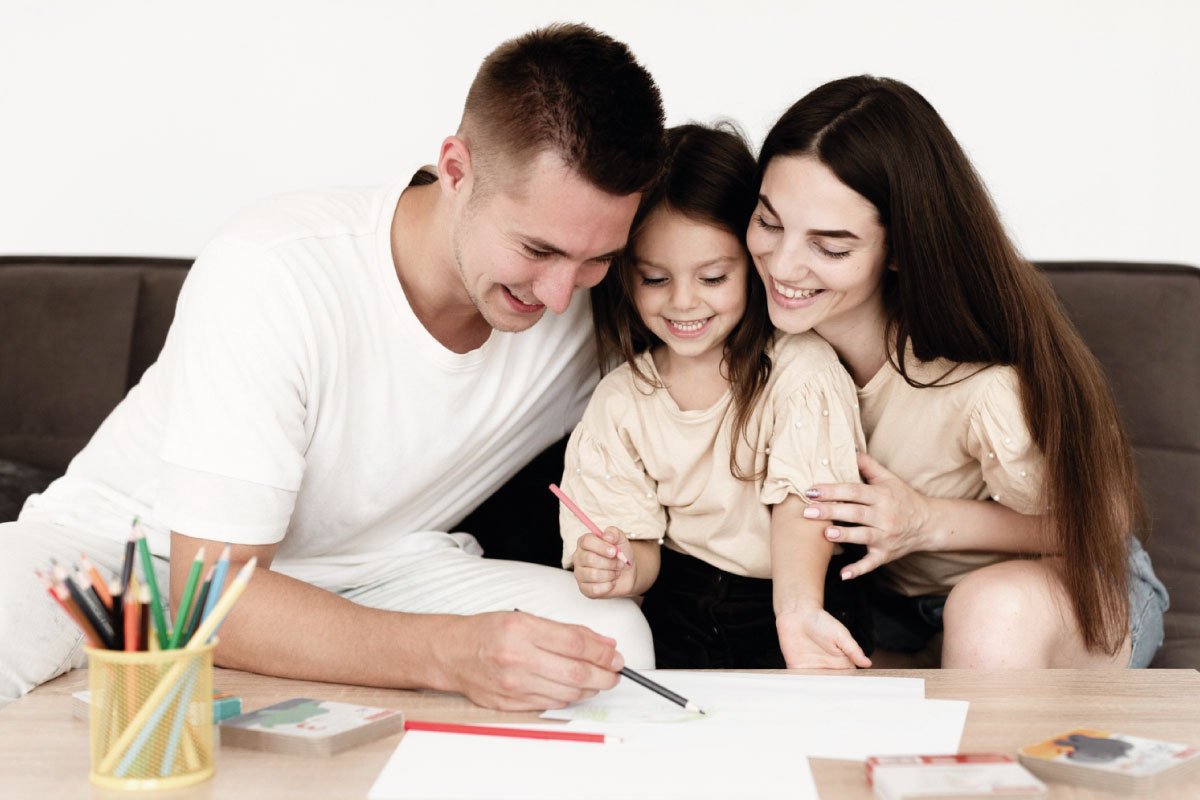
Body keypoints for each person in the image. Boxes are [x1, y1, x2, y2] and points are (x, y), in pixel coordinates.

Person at [0, 23, 667, 710]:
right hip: (137, 561)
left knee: (606, 640)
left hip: (377, 573)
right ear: (457, 171)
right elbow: (209, 592)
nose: (560, 296)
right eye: (538, 249)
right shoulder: (276, 268)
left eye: (597, 259)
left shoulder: (606, 309)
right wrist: (448, 655)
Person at [746, 75, 1169, 668]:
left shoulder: (978, 385)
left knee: (986, 610)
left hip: (1062, 589)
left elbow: (1102, 520)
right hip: (897, 608)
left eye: (831, 247)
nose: (782, 263)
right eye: (768, 222)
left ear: (897, 249)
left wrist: (926, 522)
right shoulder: (759, 337)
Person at [558, 124, 872, 669]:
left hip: (798, 594)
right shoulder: (621, 399)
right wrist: (618, 565)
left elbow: (808, 506)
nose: (683, 303)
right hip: (679, 602)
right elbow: (641, 549)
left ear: (753, 265)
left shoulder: (799, 370)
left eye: (712, 277)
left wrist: (796, 611)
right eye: (655, 279)